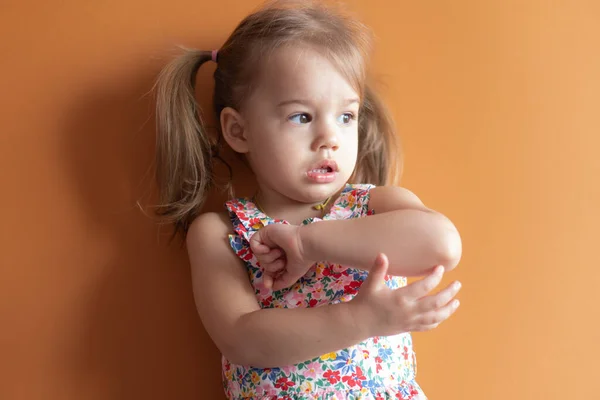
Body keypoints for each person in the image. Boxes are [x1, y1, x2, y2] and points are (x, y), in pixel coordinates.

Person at [153, 1, 462, 398]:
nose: (329, 138)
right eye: (302, 117)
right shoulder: (223, 232)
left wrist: (308, 243)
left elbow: (442, 245)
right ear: (238, 130)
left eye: (346, 117)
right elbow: (241, 339)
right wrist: (359, 318)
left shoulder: (373, 207)